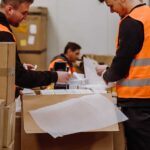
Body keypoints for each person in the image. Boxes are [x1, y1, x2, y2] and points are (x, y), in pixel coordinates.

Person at [96, 0, 150, 150]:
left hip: (137, 101)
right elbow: (137, 58)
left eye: (110, 5)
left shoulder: (132, 22)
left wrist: (106, 75)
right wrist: (109, 68)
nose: (111, 11)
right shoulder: (147, 16)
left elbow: (121, 65)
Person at [0, 0, 70, 96]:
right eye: (23, 13)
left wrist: (18, 66)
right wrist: (55, 76)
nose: (25, 18)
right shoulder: (3, 34)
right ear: (9, 10)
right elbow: (21, 77)